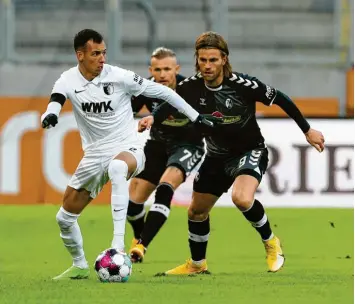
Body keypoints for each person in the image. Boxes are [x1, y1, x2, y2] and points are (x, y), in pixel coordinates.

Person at [139, 31, 325, 274]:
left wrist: (307, 130)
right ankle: (197, 265)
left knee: (241, 198)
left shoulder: (243, 85)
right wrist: (153, 117)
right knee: (196, 211)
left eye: (213, 60)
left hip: (249, 151)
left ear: (224, 59)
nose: (207, 65)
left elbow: (281, 99)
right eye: (203, 60)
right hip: (216, 156)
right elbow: (171, 103)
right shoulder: (190, 87)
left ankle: (271, 242)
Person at [40, 29, 215, 280]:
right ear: (80, 55)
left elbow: (165, 93)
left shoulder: (120, 76)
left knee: (118, 168)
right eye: (95, 54)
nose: (102, 58)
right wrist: (51, 114)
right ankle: (79, 265)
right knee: (64, 218)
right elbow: (56, 99)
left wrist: (197, 117)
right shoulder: (67, 80)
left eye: (104, 53)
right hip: (93, 155)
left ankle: (118, 247)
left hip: (128, 147)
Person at [128, 47, 205, 263]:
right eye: (158, 69)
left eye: (167, 69)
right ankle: (138, 235)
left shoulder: (189, 89)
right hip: (157, 146)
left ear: (176, 69)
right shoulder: (145, 88)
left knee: (164, 187)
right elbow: (126, 112)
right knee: (133, 203)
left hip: (187, 146)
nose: (162, 74)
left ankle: (142, 245)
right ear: (151, 70)